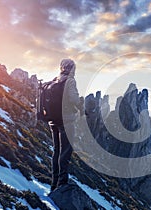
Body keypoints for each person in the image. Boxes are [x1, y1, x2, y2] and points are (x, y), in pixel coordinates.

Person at [49, 58, 84, 191]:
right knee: (66, 151)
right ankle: (62, 182)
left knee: (57, 150)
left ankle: (54, 183)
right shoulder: (70, 80)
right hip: (67, 120)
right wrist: (81, 105)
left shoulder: (55, 79)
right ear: (72, 68)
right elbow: (73, 99)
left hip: (53, 120)